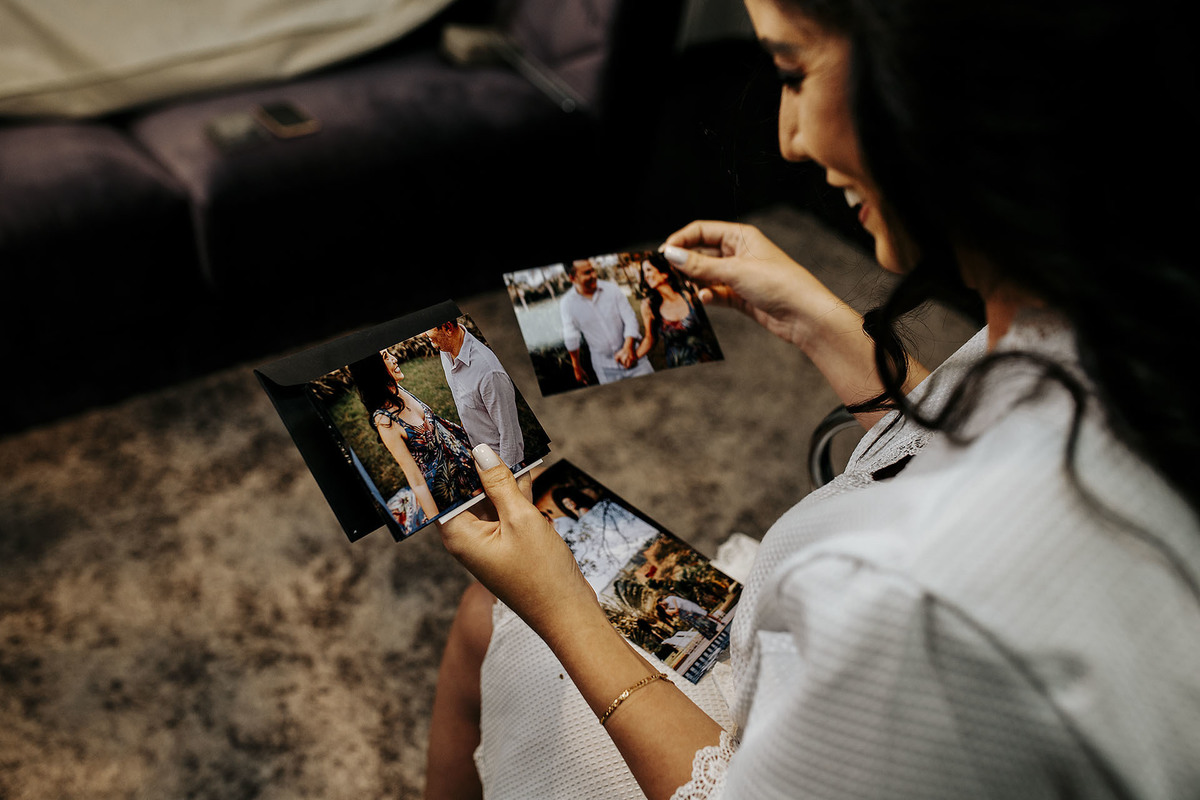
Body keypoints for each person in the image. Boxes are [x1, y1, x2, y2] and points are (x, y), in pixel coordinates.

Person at [426, 0, 1200, 798]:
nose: (789, 140)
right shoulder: (1124, 324)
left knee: (492, 614)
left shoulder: (914, 603)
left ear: (944, 84)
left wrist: (565, 612)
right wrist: (824, 321)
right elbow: (983, 432)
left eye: (794, 72)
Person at [347, 350, 480, 522]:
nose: (395, 359)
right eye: (386, 357)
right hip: (444, 490)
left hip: (460, 462)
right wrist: (438, 520)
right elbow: (416, 480)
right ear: (373, 370)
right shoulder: (385, 421)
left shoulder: (396, 389)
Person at [425, 320, 525, 469]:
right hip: (478, 455)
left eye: (432, 336)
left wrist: (506, 471)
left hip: (500, 462)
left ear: (447, 328)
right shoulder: (445, 352)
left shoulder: (489, 372)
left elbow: (510, 433)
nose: (430, 342)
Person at [560, 258, 655, 385]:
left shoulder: (612, 290)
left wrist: (628, 348)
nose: (594, 275)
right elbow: (571, 337)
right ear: (572, 278)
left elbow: (630, 318)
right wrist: (576, 366)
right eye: (587, 273)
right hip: (606, 369)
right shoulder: (567, 303)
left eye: (593, 270)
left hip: (636, 360)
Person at [634, 252, 722, 368]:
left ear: (665, 273)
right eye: (644, 272)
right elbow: (649, 338)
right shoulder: (649, 306)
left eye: (649, 270)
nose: (646, 276)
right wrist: (632, 358)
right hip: (679, 366)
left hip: (708, 360)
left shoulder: (688, 296)